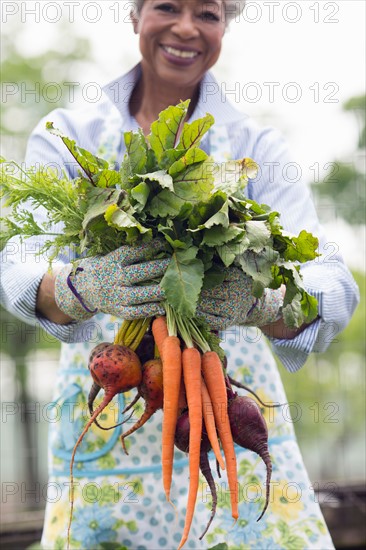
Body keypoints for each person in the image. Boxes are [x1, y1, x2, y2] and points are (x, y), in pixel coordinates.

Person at [1, 1, 359, 548]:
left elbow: (332, 287)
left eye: (209, 13)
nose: (187, 27)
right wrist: (77, 288)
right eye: (167, 6)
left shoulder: (254, 147)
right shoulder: (67, 132)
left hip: (227, 405)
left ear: (226, 25)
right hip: (107, 395)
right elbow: (18, 266)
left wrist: (266, 303)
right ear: (135, 15)